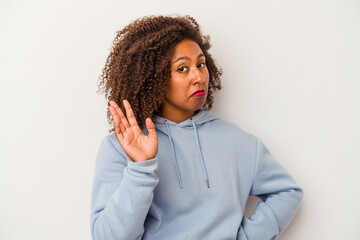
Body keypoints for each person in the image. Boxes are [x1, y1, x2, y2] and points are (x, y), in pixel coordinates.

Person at [91, 15, 303, 240]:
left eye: (200, 64)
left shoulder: (239, 142)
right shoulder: (119, 148)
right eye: (182, 68)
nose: (199, 76)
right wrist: (140, 168)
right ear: (152, 78)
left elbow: (287, 192)